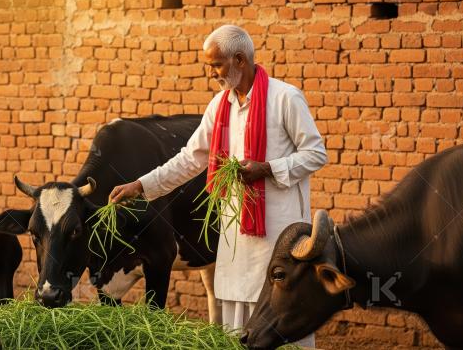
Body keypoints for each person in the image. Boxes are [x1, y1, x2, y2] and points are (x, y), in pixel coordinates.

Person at [109, 24, 327, 346]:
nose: (211, 73)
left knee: (281, 315)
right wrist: (141, 185)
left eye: (216, 65)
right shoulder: (219, 107)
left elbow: (316, 153)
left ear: (239, 60)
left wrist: (268, 168)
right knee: (236, 323)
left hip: (278, 236)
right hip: (234, 234)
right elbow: (189, 159)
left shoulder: (285, 99)